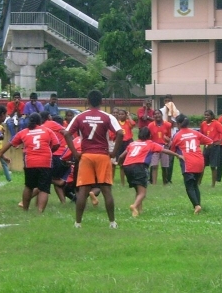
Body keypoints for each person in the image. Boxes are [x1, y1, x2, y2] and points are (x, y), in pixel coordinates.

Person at [64, 89, 123, 229]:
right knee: (106, 189)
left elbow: (66, 133)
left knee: (83, 190)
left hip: (86, 155)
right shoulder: (107, 117)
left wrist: (75, 153)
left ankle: (78, 223)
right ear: (101, 101)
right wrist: (114, 153)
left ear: (88, 101)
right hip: (102, 155)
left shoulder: (80, 117)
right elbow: (120, 133)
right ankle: (112, 222)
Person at [0, 112, 60, 213]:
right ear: (40, 121)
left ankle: (25, 209)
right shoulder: (47, 131)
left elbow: (10, 142)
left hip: (30, 162)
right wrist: (50, 151)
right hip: (45, 162)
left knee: (29, 186)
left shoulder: (23, 132)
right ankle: (40, 211)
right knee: (44, 189)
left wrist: (0, 153)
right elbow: (57, 144)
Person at [118, 126, 183, 217]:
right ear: (149, 135)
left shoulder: (133, 144)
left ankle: (138, 211)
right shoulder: (150, 143)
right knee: (143, 193)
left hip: (127, 167)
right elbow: (164, 150)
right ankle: (134, 206)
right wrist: (177, 155)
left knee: (138, 190)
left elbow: (121, 156)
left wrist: (119, 164)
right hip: (139, 166)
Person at [170, 114, 214, 214]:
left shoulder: (177, 135)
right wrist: (204, 150)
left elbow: (172, 150)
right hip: (199, 161)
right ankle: (198, 205)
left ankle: (196, 205)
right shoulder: (195, 133)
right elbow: (210, 142)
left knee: (189, 186)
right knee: (195, 185)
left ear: (179, 124)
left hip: (188, 163)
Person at [200, 109, 222, 187]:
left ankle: (213, 184)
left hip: (214, 147)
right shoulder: (203, 124)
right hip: (206, 147)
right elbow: (201, 135)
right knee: (202, 165)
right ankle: (199, 183)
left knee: (213, 166)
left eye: (208, 115)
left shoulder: (216, 124)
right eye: (205, 115)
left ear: (212, 116)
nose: (206, 116)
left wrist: (220, 141)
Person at [149, 110, 172, 185]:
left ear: (161, 115)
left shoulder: (168, 124)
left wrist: (167, 139)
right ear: (153, 116)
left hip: (164, 147)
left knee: (164, 166)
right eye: (155, 114)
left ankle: (165, 182)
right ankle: (154, 183)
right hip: (154, 147)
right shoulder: (151, 125)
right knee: (154, 165)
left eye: (158, 113)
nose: (157, 115)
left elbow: (169, 137)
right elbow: (149, 137)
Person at [116, 109, 136, 186]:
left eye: (123, 114)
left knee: (130, 163)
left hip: (128, 142)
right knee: (121, 164)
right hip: (120, 143)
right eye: (119, 114)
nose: (121, 115)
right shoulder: (117, 123)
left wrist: (129, 116)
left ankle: (131, 180)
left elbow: (133, 124)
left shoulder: (128, 122)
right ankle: (122, 183)